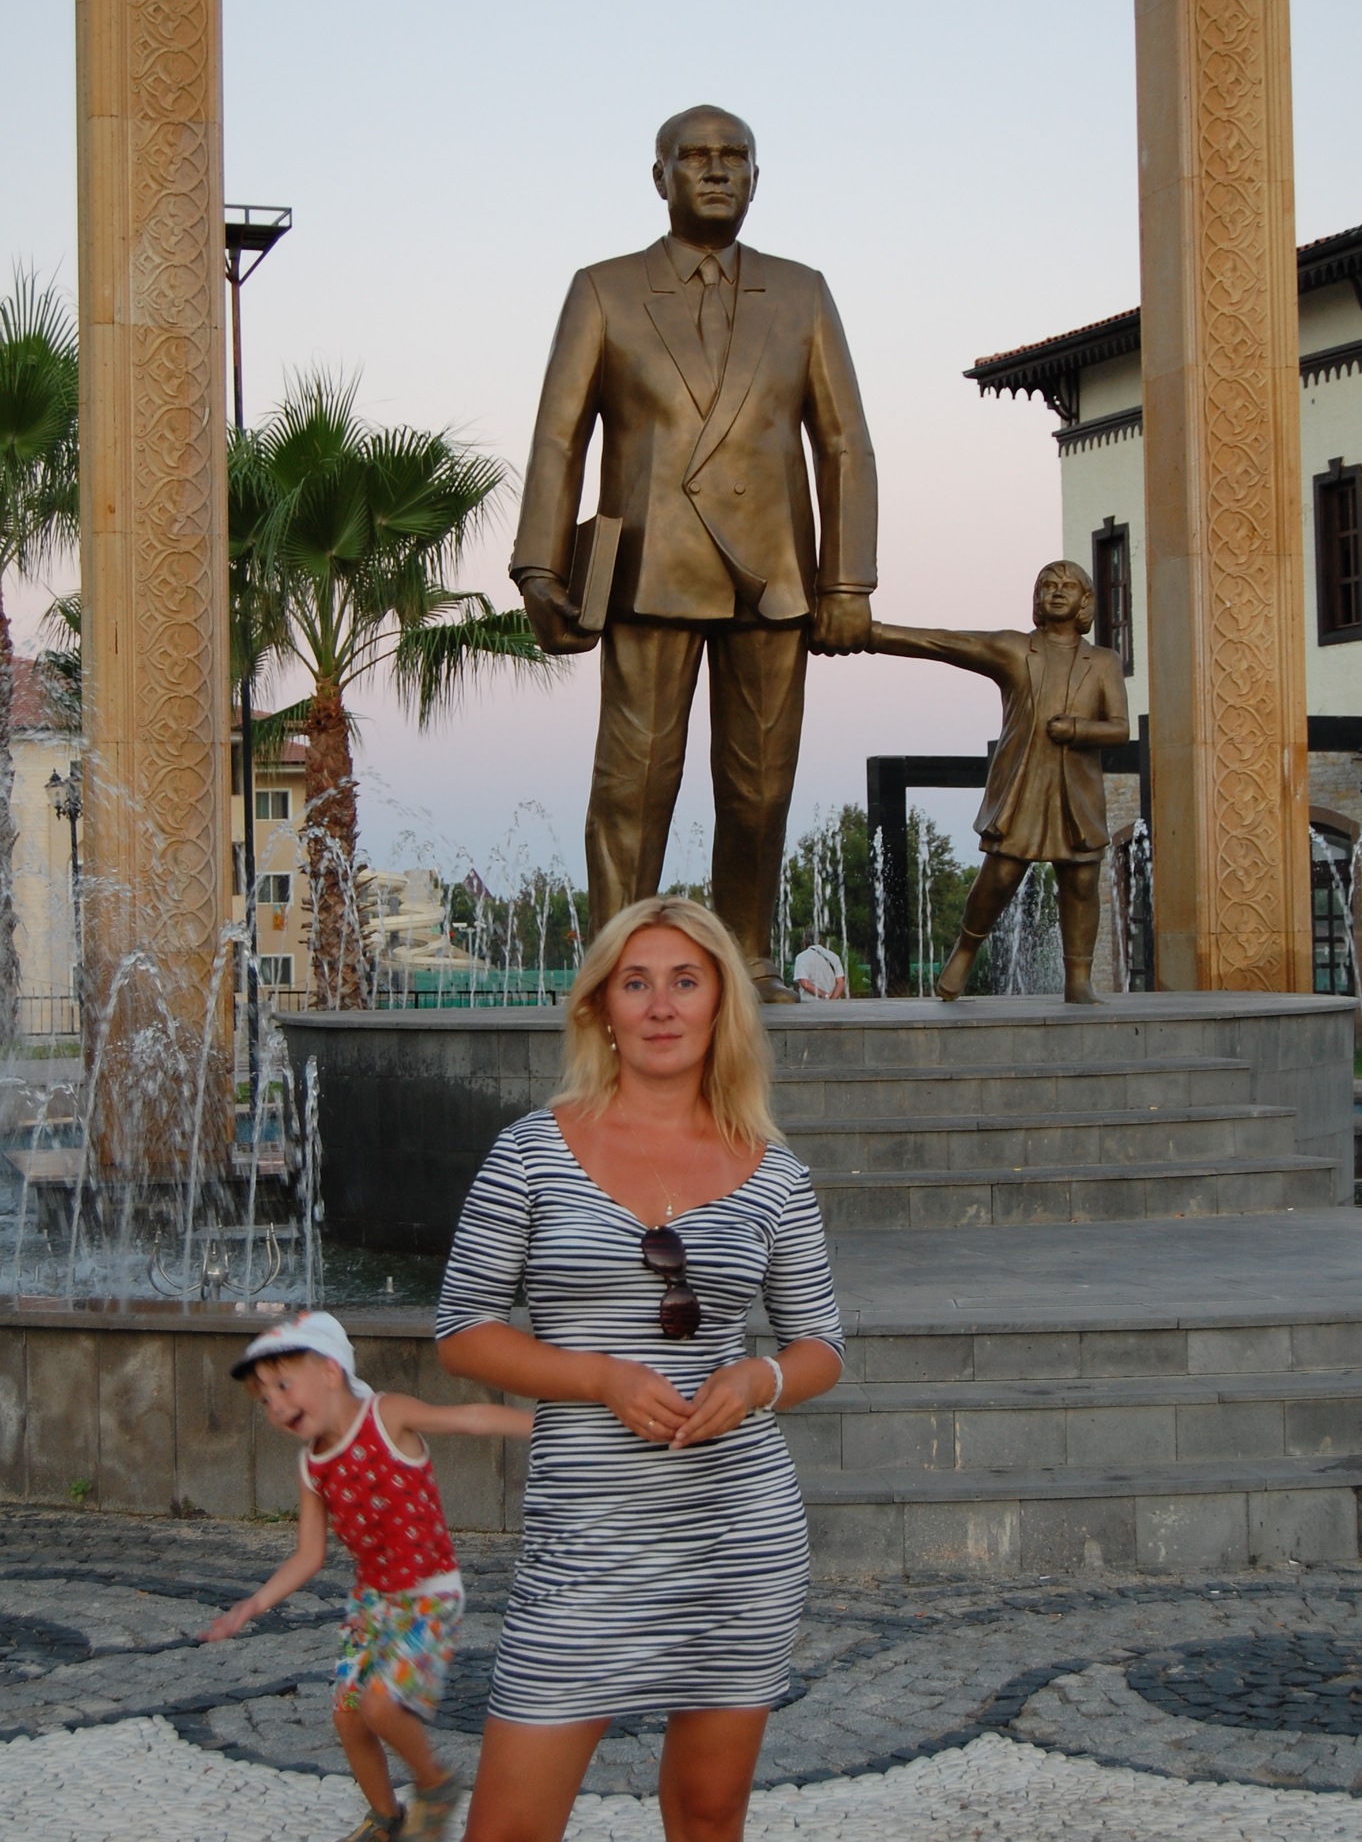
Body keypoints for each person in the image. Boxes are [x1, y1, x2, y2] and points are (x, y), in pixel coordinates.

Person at [436, 896, 844, 1842]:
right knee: (508, 1829)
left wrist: (759, 1382)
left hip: (737, 1535)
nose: (662, 1006)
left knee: (708, 1814)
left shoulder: (774, 1170)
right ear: (602, 1009)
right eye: (637, 983)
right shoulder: (529, 1152)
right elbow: (463, 1330)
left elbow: (820, 1344)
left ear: (720, 1006)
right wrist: (600, 1379)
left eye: (686, 982)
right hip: (587, 1538)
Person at [510, 105, 879, 1001]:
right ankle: (618, 961)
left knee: (761, 788)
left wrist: (848, 581)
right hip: (650, 569)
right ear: (660, 176)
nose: (717, 171)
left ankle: (746, 955)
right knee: (633, 786)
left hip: (774, 574)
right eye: (696, 157)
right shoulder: (604, 289)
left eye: (735, 157)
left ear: (756, 177)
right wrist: (539, 571)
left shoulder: (802, 292)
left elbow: (844, 442)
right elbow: (559, 438)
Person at [201, 1310, 533, 1842]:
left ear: (331, 1371)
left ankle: (435, 1784)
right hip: (372, 1603)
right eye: (264, 1398)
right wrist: (253, 1605)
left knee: (379, 1705)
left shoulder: (387, 1415)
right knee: (350, 1716)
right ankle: (387, 1817)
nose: (275, 1405)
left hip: (428, 1595)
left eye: (283, 1385)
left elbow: (471, 1419)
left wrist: (551, 1430)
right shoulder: (311, 1465)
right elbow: (308, 1555)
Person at [872, 559, 1130, 1003]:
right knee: (1000, 876)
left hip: (1076, 791)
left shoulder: (1104, 662)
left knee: (1081, 882)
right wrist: (872, 634)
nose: (1056, 592)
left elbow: (1119, 729)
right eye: (1047, 585)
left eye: (1068, 586)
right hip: (1024, 785)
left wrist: (1078, 729)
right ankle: (965, 950)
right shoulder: (1015, 649)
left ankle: (1078, 979)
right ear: (1037, 598)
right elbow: (946, 643)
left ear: (1085, 600)